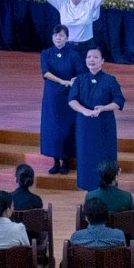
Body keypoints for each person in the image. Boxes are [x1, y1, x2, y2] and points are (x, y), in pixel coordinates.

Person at [67, 47, 125, 196]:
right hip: (85, 125)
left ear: (102, 61)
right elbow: (72, 100)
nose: (91, 60)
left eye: (95, 57)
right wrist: (84, 111)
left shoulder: (110, 79)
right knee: (86, 155)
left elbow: (119, 101)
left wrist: (104, 108)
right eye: (88, 57)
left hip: (104, 125)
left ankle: (109, 188)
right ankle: (89, 190)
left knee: (105, 156)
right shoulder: (80, 79)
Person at [37, 25, 83, 175]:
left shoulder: (73, 54)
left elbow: (80, 73)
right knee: (52, 128)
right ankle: (55, 161)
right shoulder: (46, 53)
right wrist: (62, 81)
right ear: (52, 37)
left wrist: (73, 81)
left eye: (62, 36)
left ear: (67, 38)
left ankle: (66, 162)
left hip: (68, 96)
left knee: (67, 127)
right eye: (56, 35)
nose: (59, 38)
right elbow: (46, 72)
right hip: (52, 96)